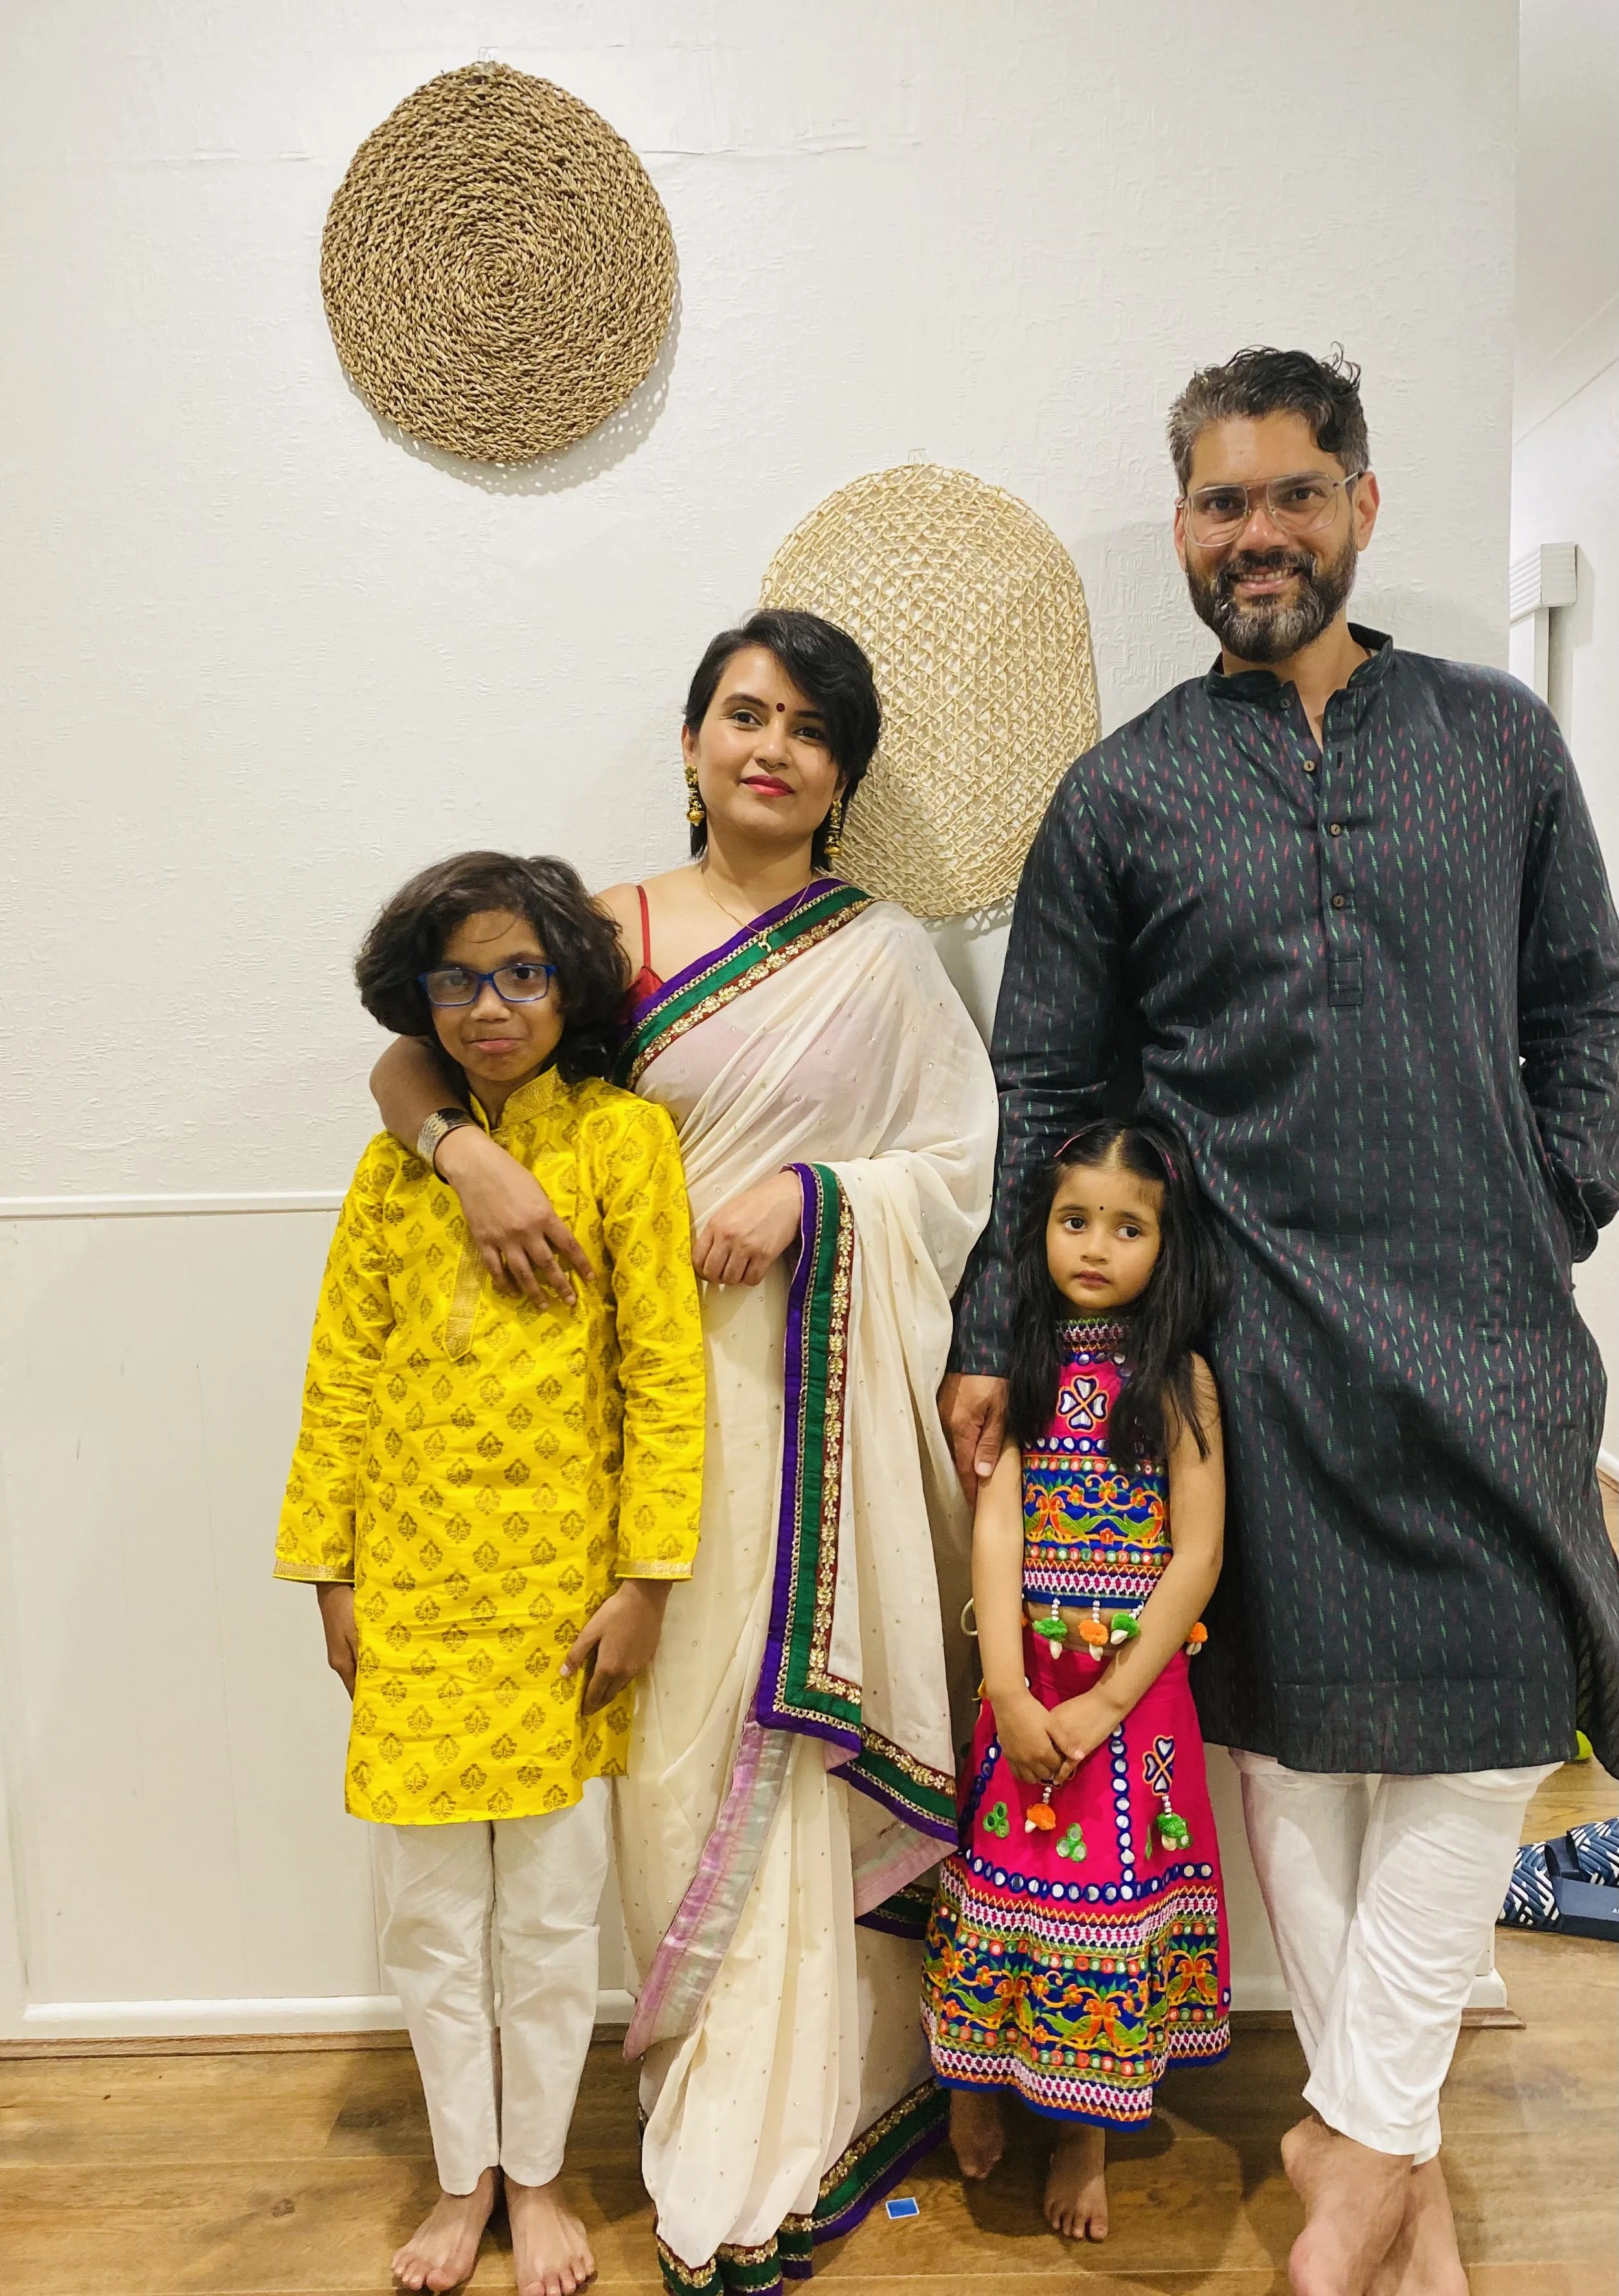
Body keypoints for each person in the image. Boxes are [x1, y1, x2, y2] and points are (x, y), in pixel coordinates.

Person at [940, 347, 1619, 2296]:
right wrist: (999, 1322)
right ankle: (1387, 2207)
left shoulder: (1489, 739)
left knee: (1503, 1707)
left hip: (1484, 1327)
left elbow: (1584, 1009)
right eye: (1221, 503)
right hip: (1240, 1349)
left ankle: (1356, 2139)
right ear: (1180, 527)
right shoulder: (1124, 790)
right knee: (1296, 1755)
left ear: (1360, 507)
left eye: (1294, 494)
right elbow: (1050, 1084)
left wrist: (1546, 1198)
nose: (1258, 534)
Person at [370, 610, 999, 2294]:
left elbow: (958, 1159)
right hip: (617, 1417)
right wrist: (460, 1158)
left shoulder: (883, 956)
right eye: (743, 713)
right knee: (654, 1760)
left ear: (842, 774)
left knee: (779, 1740)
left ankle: (792, 2088)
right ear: (690, 738)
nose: (769, 747)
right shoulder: (601, 936)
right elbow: (416, 1052)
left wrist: (816, 1198)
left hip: (815, 1400)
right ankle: (677, 2061)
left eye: (806, 728)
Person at [275, 851, 705, 2296]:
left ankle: (541, 2170)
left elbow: (661, 1368)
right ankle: (462, 2177)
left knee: (546, 1905)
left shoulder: (623, 1143)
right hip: (409, 1597)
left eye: (521, 971)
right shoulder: (395, 1165)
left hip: (561, 1599)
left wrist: (647, 1579)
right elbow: (340, 1372)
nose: (490, 1004)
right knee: (425, 1911)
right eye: (457, 977)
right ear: (423, 996)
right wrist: (328, 1571)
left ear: (567, 982)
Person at [923, 1118, 1230, 2242]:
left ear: (1167, 1243)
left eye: (1128, 1225)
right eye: (1074, 1219)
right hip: (1026, 1678)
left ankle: (1086, 2131)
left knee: (1112, 1897)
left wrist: (1107, 1698)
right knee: (1002, 1878)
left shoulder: (1179, 1377)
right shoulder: (1028, 1369)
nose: (1097, 1245)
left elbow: (1196, 1553)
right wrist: (1007, 1686)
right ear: (1040, 1231)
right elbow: (995, 1531)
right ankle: (970, 2076)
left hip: (1134, 1692)